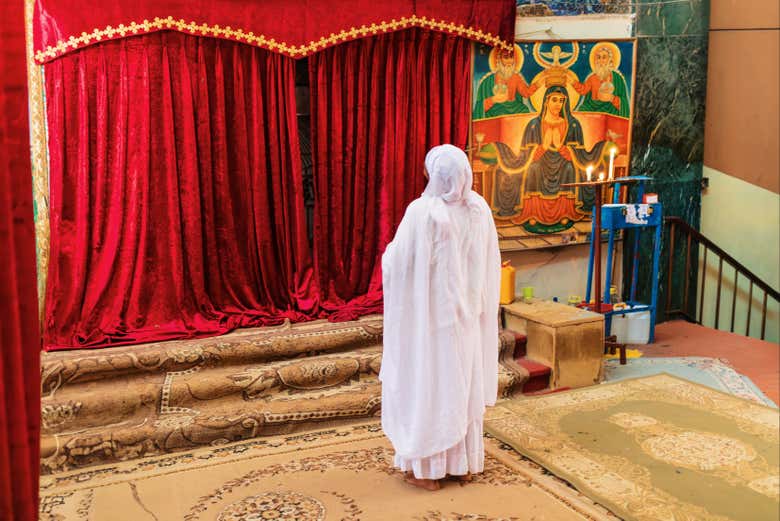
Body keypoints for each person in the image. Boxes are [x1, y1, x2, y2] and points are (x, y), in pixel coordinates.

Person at [380, 144, 501, 491]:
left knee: (432, 387)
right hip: (468, 322)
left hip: (432, 324)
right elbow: (490, 264)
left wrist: (387, 257)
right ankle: (462, 466)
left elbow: (398, 263)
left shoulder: (423, 212)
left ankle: (428, 472)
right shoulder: (480, 210)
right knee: (461, 387)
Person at [491, 78, 607, 231]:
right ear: (546, 101)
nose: (558, 104)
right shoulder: (534, 125)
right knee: (533, 169)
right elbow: (525, 152)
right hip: (540, 161)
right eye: (554, 100)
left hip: (563, 162)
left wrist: (566, 150)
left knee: (570, 169)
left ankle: (566, 213)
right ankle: (533, 214)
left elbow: (580, 151)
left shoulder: (573, 124)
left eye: (561, 100)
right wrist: (543, 147)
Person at [473, 46, 539, 119]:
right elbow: (480, 106)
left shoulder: (516, 77)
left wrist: (540, 82)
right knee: (498, 113)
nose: (509, 61)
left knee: (524, 110)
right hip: (497, 107)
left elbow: (526, 93)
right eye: (505, 57)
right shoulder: (488, 81)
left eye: (511, 57)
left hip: (515, 107)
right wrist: (494, 99)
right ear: (499, 60)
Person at [571, 43, 630, 118]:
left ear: (610, 61)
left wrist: (612, 98)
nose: (601, 60)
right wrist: (573, 82)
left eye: (604, 57)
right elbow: (584, 90)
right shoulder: (592, 78)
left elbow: (623, 101)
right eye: (598, 57)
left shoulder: (617, 78)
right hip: (593, 107)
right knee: (582, 110)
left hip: (610, 107)